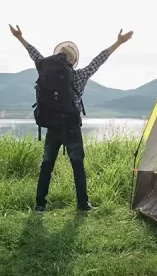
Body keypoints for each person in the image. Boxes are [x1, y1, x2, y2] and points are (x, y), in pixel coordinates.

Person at [9, 24, 134, 213]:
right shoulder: (80, 75)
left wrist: (20, 37)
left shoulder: (44, 68)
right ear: (73, 60)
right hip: (71, 127)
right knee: (78, 166)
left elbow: (33, 53)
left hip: (51, 125)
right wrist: (119, 42)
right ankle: (83, 204)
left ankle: (40, 205)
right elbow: (99, 60)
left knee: (46, 166)